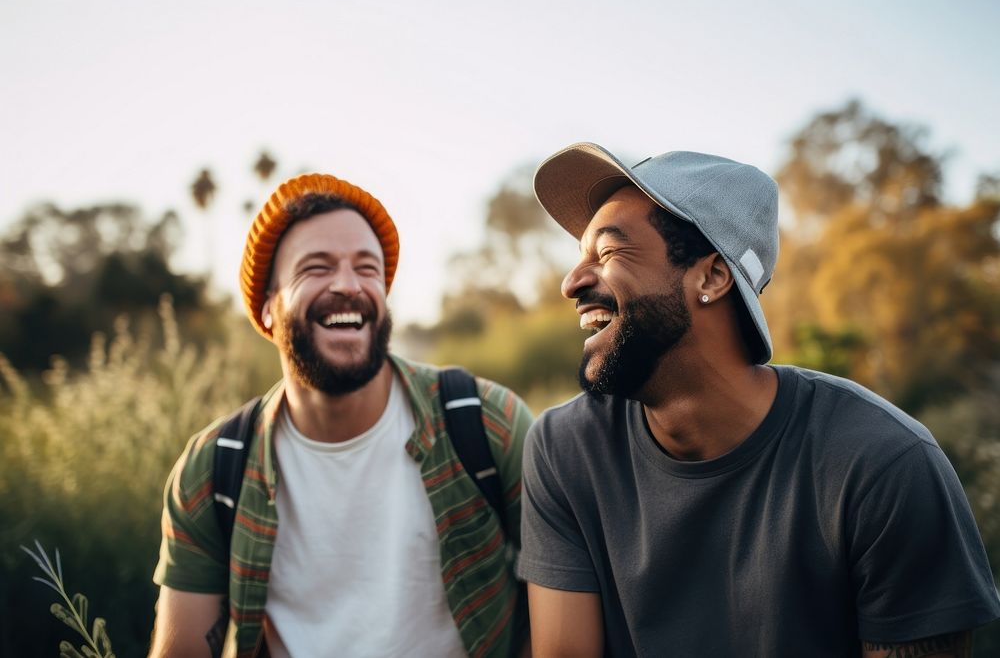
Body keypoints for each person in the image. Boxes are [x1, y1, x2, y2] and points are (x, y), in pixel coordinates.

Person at [516, 142, 1000, 657]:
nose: (572, 283)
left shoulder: (881, 464)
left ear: (712, 276)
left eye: (609, 252)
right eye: (580, 258)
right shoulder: (565, 448)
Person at [150, 173, 532, 658]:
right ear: (268, 308)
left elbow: (562, 608)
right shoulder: (213, 471)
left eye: (368, 268)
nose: (349, 285)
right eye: (316, 267)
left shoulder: (484, 422)